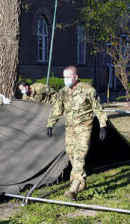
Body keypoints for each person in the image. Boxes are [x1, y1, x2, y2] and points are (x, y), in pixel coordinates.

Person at [46, 66, 108, 200]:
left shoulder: (88, 90)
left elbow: (98, 108)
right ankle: (82, 181)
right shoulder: (63, 92)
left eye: (68, 77)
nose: (65, 79)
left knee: (80, 155)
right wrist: (50, 124)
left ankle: (74, 188)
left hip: (84, 128)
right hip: (69, 129)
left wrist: (103, 125)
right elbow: (57, 109)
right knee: (71, 154)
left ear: (75, 77)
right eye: (64, 77)